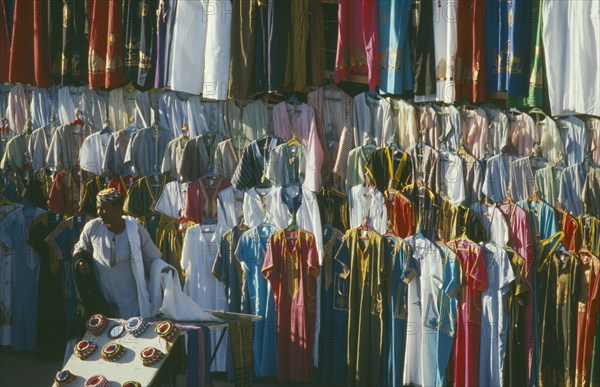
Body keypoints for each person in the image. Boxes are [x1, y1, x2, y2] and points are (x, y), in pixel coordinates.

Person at [73, 188, 172, 319]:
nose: (99, 213)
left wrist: (166, 274)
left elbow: (154, 259)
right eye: (98, 208)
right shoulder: (92, 227)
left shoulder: (135, 229)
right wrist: (81, 262)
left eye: (104, 208)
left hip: (133, 304)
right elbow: (80, 248)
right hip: (103, 304)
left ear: (118, 208)